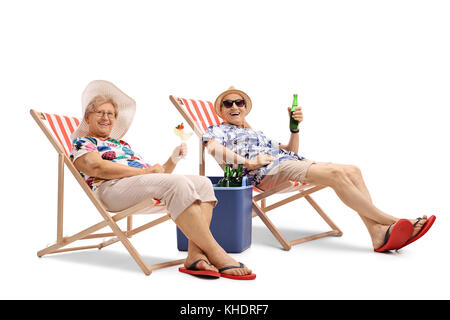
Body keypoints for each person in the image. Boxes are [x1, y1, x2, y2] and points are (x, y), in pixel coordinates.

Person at [202, 86, 436, 252]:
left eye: (239, 102)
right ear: (220, 111)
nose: (234, 106)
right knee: (335, 175)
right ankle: (391, 220)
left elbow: (290, 148)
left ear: (245, 108)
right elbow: (213, 149)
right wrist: (249, 163)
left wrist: (295, 129)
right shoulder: (216, 130)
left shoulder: (255, 133)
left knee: (352, 170)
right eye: (228, 103)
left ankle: (377, 234)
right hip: (267, 173)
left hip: (288, 161)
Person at [70, 80, 255, 279]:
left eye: (110, 114)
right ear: (88, 117)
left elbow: (159, 177)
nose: (106, 117)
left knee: (203, 183)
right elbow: (96, 167)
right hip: (111, 190)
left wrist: (173, 158)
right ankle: (217, 253)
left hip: (137, 186)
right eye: (100, 112)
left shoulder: (121, 144)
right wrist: (145, 173)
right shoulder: (83, 142)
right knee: (177, 183)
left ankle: (195, 255)